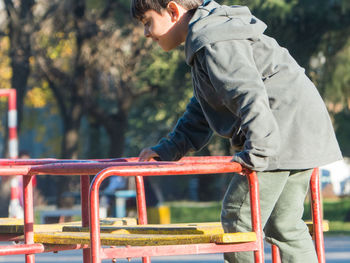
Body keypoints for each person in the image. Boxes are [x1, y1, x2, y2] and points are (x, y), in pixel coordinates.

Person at [131, 0, 343, 262]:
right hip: (302, 129)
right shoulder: (213, 34)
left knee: (238, 218)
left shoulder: (213, 39)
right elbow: (204, 106)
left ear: (173, 11)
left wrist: (259, 152)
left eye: (147, 22)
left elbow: (247, 92)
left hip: (279, 132)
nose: (146, 33)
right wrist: (170, 148)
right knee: (283, 224)